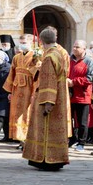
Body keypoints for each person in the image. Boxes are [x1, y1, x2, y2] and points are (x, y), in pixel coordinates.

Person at [22, 26, 71, 171]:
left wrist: (47, 102)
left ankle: (46, 159)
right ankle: (56, 158)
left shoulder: (49, 57)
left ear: (42, 41)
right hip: (60, 95)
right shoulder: (59, 54)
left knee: (46, 129)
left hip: (48, 99)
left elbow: (48, 81)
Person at [7, 33, 40, 147]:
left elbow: (37, 75)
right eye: (20, 43)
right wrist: (10, 91)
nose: (22, 45)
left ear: (31, 43)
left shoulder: (35, 56)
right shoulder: (16, 57)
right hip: (17, 88)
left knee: (27, 113)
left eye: (24, 43)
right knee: (17, 114)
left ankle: (27, 139)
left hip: (29, 88)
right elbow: (12, 73)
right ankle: (21, 139)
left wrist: (35, 91)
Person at [67, 39, 91, 151]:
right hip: (70, 96)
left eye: (77, 47)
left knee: (82, 121)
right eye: (74, 46)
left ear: (84, 49)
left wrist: (74, 82)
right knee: (69, 119)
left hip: (83, 96)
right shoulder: (69, 60)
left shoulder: (89, 62)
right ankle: (71, 138)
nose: (74, 49)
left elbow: (89, 78)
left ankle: (82, 142)